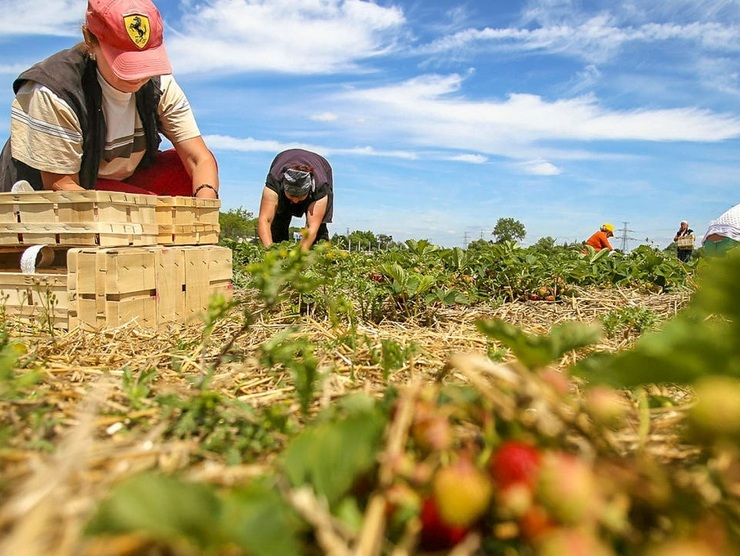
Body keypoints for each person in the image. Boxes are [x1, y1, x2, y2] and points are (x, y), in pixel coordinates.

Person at [0, 0, 218, 200]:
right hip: (60, 190)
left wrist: (203, 208)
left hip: (118, 183)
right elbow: (62, 186)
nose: (139, 75)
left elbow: (200, 159)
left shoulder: (160, 85)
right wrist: (145, 214)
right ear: (90, 40)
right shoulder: (54, 90)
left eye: (145, 61)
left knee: (181, 171)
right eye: (125, 62)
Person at [258, 148, 334, 251]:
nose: (295, 201)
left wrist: (298, 259)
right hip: (282, 163)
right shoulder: (275, 181)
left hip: (322, 168)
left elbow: (311, 227)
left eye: (300, 196)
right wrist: (269, 253)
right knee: (278, 222)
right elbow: (265, 220)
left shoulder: (320, 187)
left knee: (319, 232)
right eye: (291, 196)